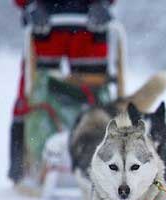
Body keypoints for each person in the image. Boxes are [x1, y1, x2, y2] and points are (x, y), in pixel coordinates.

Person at [9, 0, 115, 184]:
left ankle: (107, 160)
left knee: (96, 95)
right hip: (44, 21)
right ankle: (26, 163)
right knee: (34, 93)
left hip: (89, 23)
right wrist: (29, 5)